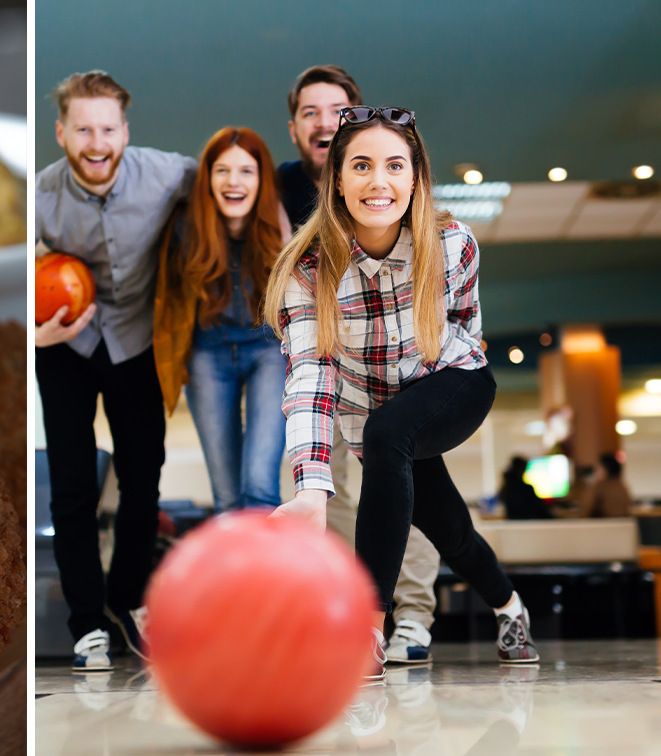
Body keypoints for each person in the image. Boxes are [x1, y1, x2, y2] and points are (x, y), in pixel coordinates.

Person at [264, 105, 540, 676]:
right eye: (361, 166)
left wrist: (425, 395)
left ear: (415, 179)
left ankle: (368, 630)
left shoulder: (452, 243)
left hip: (454, 383)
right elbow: (310, 379)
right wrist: (312, 488)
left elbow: (465, 324)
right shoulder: (306, 270)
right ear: (336, 180)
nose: (378, 181)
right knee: (450, 530)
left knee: (389, 431)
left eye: (395, 165)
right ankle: (512, 607)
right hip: (375, 412)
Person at [35, 71, 197, 672]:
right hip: (63, 344)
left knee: (142, 480)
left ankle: (126, 603)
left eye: (107, 128)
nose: (96, 142)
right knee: (73, 488)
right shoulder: (39, 195)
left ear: (125, 131)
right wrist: (33, 332)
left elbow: (229, 190)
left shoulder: (167, 172)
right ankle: (85, 627)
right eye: (83, 129)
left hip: (135, 341)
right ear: (61, 133)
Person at [279, 65, 441, 664]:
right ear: (295, 126)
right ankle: (347, 615)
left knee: (408, 483)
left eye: (336, 110)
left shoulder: (427, 228)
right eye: (311, 112)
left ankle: (413, 617)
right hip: (328, 363)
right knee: (322, 490)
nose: (324, 121)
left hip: (401, 370)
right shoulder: (284, 199)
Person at [152, 127, 288, 514]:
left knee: (260, 486)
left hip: (267, 350)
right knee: (227, 496)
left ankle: (267, 576)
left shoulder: (278, 227)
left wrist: (282, 229)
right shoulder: (185, 227)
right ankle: (235, 576)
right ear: (207, 179)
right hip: (207, 353)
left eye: (247, 171)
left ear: (261, 180)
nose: (233, 181)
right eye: (222, 170)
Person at [586, 452, 633, 518]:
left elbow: (587, 510)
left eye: (597, 468)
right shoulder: (622, 486)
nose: (595, 472)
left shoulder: (600, 486)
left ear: (605, 469)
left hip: (605, 525)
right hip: (624, 525)